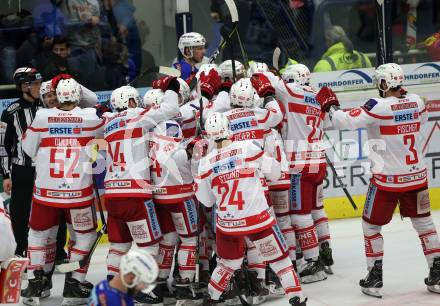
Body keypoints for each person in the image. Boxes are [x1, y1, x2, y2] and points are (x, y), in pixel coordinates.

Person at [315, 63, 440, 297]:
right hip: (417, 177)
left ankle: (374, 277)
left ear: (384, 83)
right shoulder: (417, 101)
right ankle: (438, 273)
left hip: (388, 181)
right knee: (424, 224)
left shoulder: (378, 106)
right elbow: (419, 119)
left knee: (371, 226)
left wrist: (330, 106)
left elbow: (343, 121)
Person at [196, 112, 306, 306]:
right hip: (258, 219)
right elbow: (274, 172)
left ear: (209, 135)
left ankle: (211, 298)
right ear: (228, 128)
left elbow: (205, 200)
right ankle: (297, 298)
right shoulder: (248, 147)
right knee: (280, 261)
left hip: (228, 224)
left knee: (228, 264)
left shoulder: (205, 163)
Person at [20, 78, 104, 305]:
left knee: (39, 235)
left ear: (57, 95)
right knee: (84, 236)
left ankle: (36, 283)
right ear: (77, 95)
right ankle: (74, 284)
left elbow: (27, 150)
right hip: (78, 193)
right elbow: (94, 101)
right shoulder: (91, 119)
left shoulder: (41, 117)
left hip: (46, 192)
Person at [102, 80, 180, 305]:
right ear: (132, 101)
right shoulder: (137, 116)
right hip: (135, 193)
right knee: (149, 245)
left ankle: (113, 288)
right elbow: (171, 109)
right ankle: (140, 289)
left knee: (118, 246)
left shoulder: (107, 123)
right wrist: (172, 88)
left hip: (112, 195)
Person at [281, 63, 335, 274]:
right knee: (317, 210)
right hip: (318, 162)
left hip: (299, 166)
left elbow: (269, 85)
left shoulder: (290, 91)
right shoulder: (317, 95)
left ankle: (312, 263)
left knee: (299, 216)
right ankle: (325, 250)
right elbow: (330, 123)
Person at [0, 67, 43, 257]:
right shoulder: (10, 112)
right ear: (24, 86)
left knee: (54, 210)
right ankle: (20, 252)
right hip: (22, 170)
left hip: (47, 170)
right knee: (20, 214)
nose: (39, 87)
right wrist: (6, 175)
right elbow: (2, 146)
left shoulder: (48, 107)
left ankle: (58, 253)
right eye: (35, 83)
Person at [88, 249, 159, 306]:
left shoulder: (102, 285)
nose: (138, 290)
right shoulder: (116, 301)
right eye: (140, 283)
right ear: (131, 277)